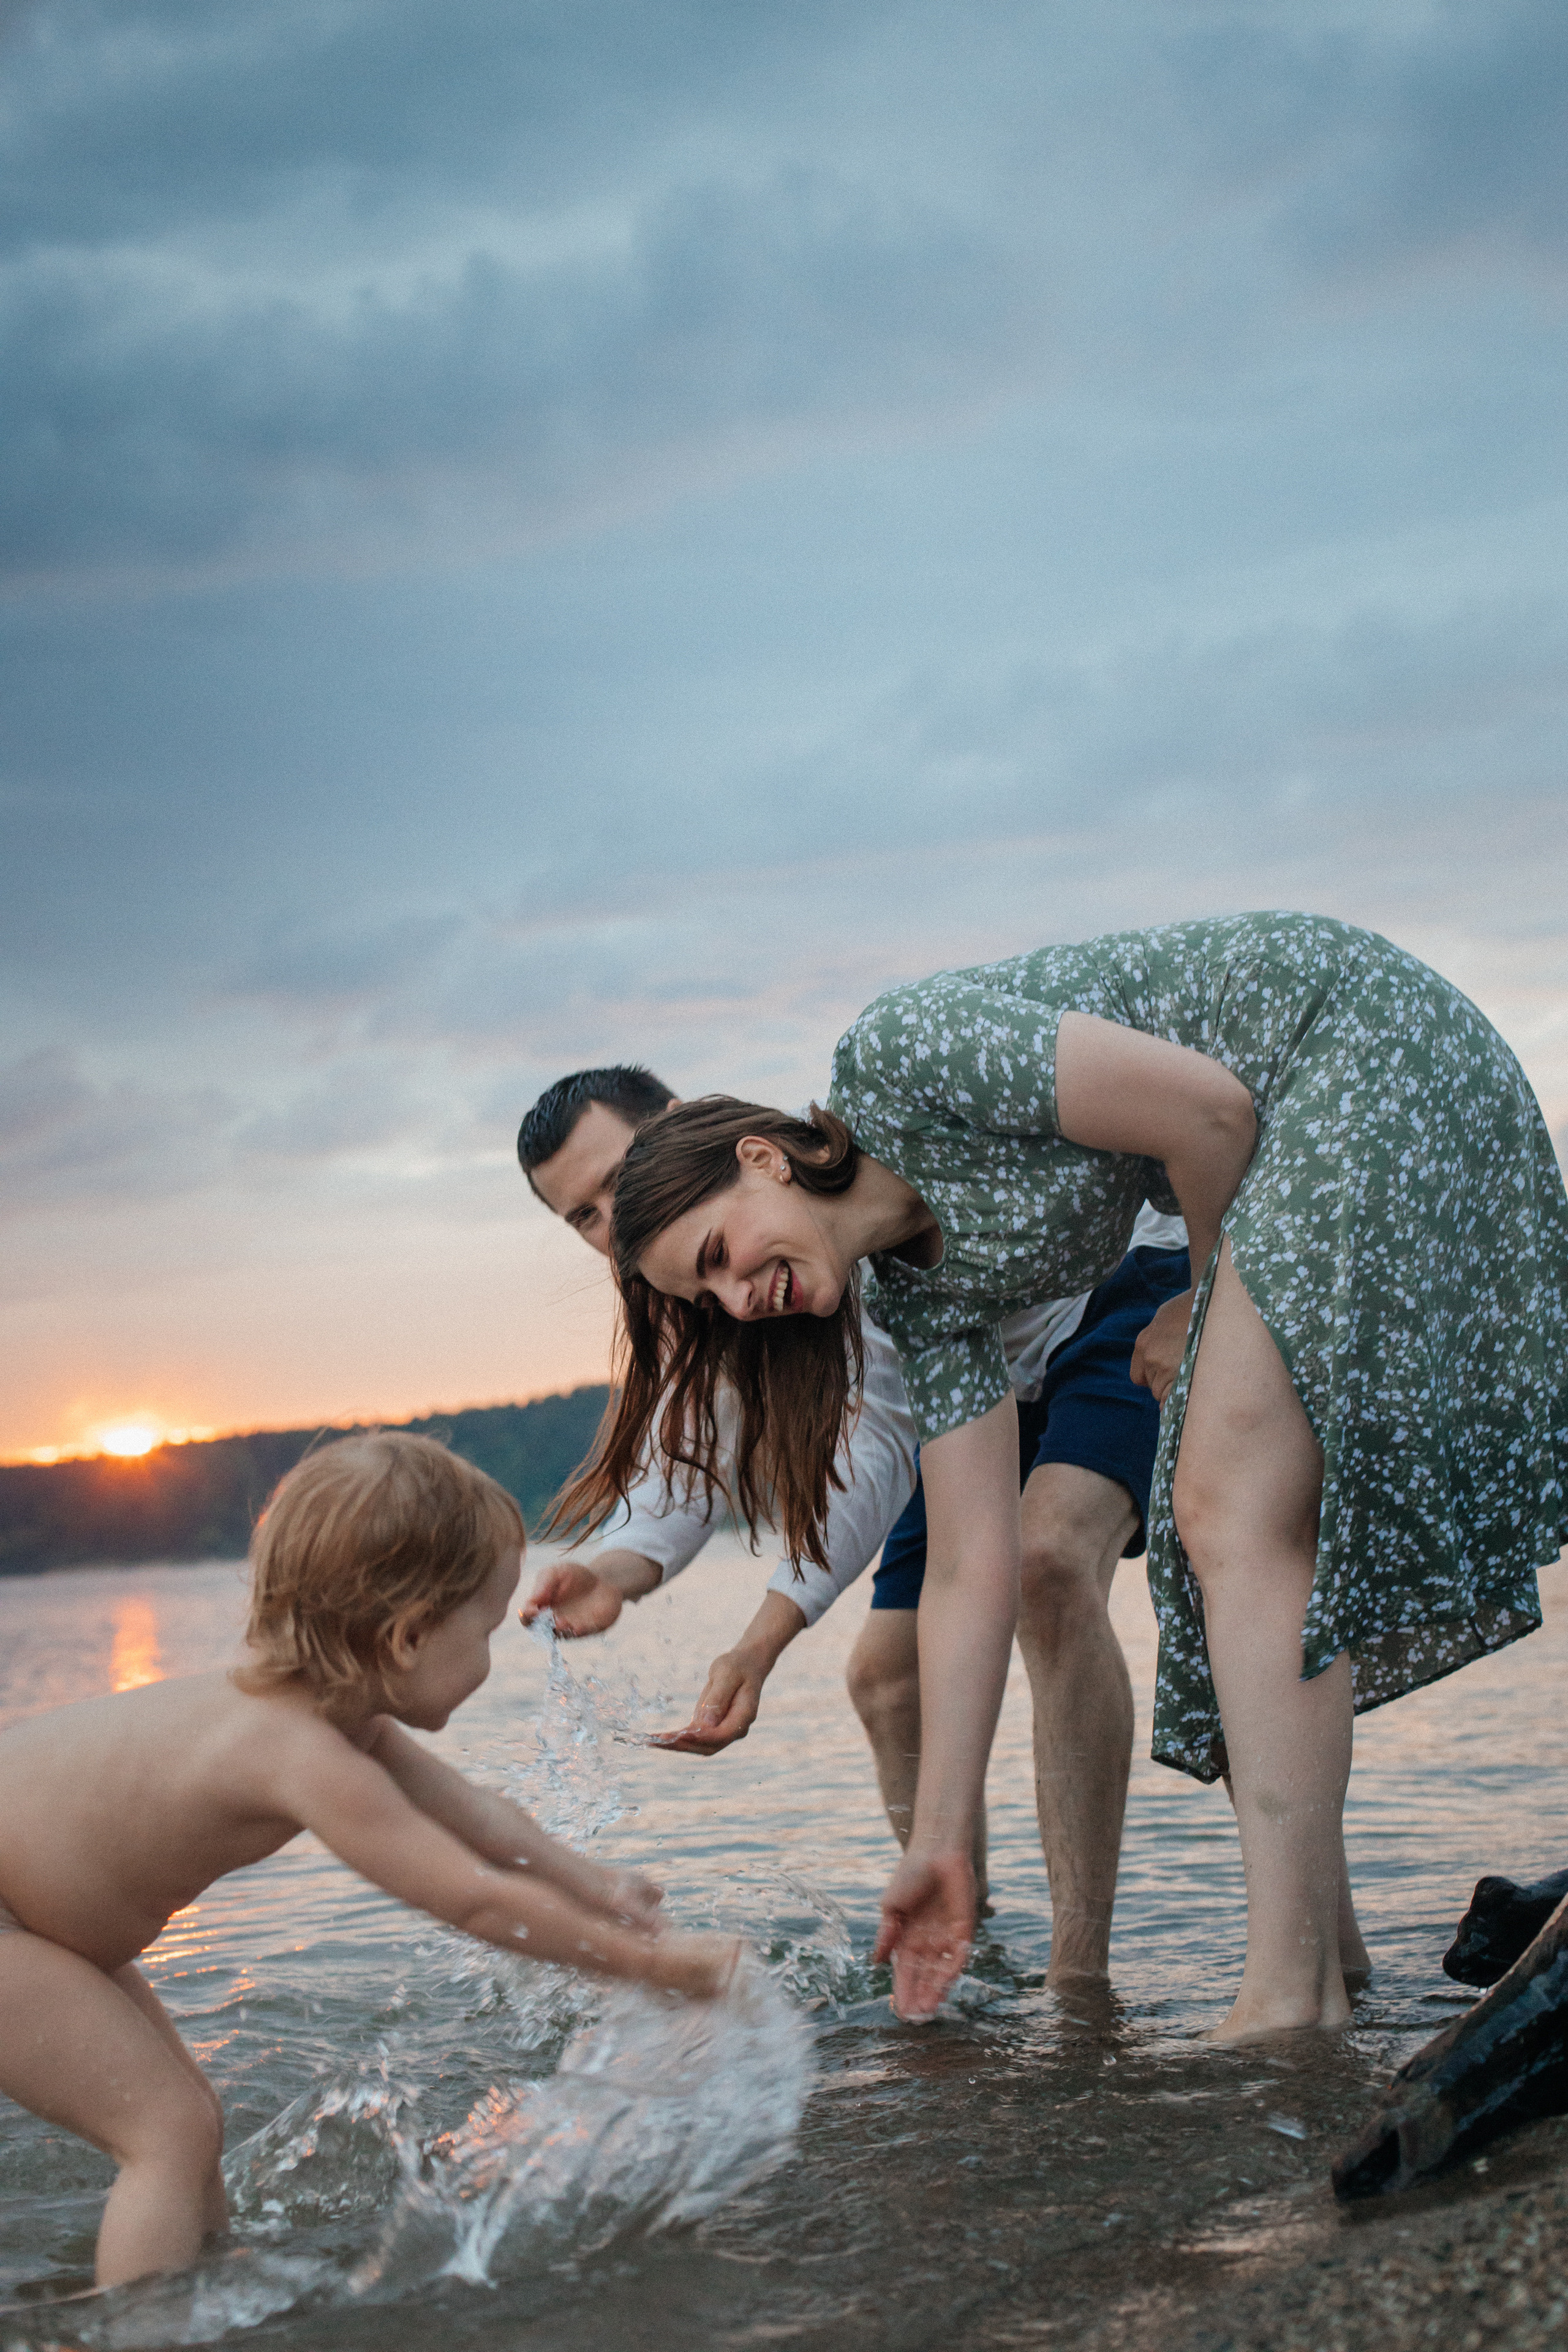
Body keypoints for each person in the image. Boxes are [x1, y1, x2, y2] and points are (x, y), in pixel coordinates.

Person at [562, 913, 1568, 2040]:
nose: (740, 1299)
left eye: (716, 1256)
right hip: (1278, 1137)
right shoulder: (917, 1298)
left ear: (760, 1158)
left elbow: (1211, 1111)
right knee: (1212, 1526)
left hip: (1351, 1047)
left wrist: (1196, 1297)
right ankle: (1325, 1974)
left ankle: (1292, 1993)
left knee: (1222, 1496)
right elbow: (970, 1570)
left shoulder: (900, 1056)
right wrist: (942, 1841)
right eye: (709, 1303)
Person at [0, 1433, 738, 2289]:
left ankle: (207, 2296)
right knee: (167, 2133)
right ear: (409, 1638)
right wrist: (652, 1968)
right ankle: (140, 2332)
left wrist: (597, 1884)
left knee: (193, 2118)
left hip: (47, 1922)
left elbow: (481, 1823)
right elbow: (472, 1901)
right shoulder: (293, 1752)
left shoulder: (344, 1720)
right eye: (487, 1630)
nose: (492, 1659)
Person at [517, 1065, 1188, 1980]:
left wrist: (759, 1640)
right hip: (969, 1385)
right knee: (883, 1677)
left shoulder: (788, 1211)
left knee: (1048, 1563)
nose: (610, 1218)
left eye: (616, 1177)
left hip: (1106, 1299)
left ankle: (1079, 1978)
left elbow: (875, 1436)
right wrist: (619, 1569)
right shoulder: (702, 1283)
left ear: (685, 1129)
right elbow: (712, 1462)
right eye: (583, 1216)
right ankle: (958, 1938)